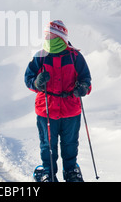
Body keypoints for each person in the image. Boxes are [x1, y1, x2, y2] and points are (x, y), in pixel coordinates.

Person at [24, 20, 92, 182]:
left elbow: (86, 79)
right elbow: (28, 79)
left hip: (70, 109)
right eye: (46, 35)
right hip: (46, 109)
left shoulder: (75, 56)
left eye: (51, 35)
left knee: (70, 144)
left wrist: (83, 87)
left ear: (61, 36)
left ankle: (70, 172)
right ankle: (49, 173)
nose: (48, 38)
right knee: (48, 145)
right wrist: (37, 82)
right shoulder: (39, 56)